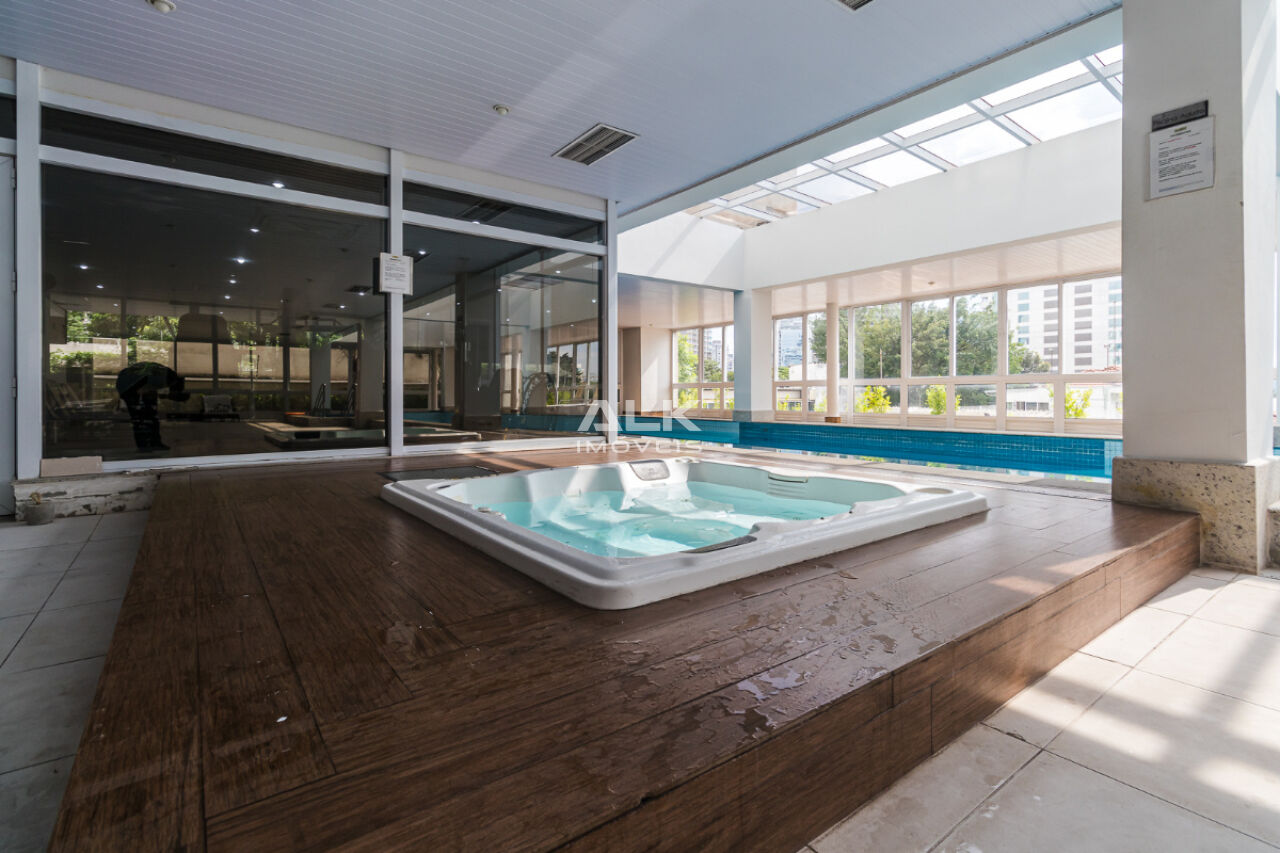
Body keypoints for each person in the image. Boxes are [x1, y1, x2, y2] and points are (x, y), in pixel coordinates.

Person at [115, 362, 189, 451]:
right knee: (140, 418)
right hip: (127, 385)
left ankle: (152, 443)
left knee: (149, 416)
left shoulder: (163, 373)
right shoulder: (164, 377)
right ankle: (145, 445)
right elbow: (145, 391)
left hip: (129, 382)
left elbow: (150, 392)